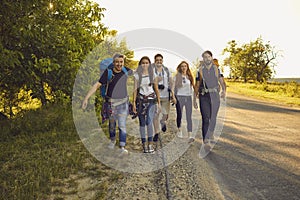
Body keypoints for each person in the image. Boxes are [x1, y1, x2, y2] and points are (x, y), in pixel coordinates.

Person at [82, 53, 133, 154]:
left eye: (121, 62)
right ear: (113, 62)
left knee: (122, 125)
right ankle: (113, 140)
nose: (119, 64)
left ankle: (122, 147)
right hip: (111, 103)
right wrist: (86, 98)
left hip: (123, 103)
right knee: (112, 125)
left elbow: (139, 74)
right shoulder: (108, 72)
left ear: (123, 62)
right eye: (117, 62)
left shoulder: (126, 70)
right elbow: (97, 85)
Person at [195, 50, 226, 145]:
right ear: (203, 59)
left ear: (211, 58)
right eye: (205, 57)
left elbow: (221, 81)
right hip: (204, 96)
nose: (207, 59)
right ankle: (206, 139)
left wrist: (224, 91)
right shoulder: (199, 70)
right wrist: (194, 99)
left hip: (215, 96)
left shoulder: (216, 69)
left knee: (213, 117)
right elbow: (197, 85)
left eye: (209, 57)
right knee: (205, 117)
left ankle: (211, 133)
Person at [132, 56, 161, 153]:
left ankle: (150, 144)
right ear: (140, 64)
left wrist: (159, 103)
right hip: (140, 101)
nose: (145, 65)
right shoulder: (137, 75)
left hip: (151, 100)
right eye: (143, 63)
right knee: (142, 123)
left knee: (149, 121)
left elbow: (156, 89)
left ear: (149, 64)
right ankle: (144, 144)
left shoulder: (153, 75)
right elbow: (135, 90)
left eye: (147, 63)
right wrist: (133, 104)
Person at [152, 54, 176, 146]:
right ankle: (156, 133)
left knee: (165, 115)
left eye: (160, 60)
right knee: (155, 115)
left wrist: (172, 94)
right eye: (157, 60)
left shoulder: (167, 70)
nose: (159, 61)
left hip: (166, 96)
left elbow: (172, 82)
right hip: (155, 96)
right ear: (154, 61)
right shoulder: (152, 71)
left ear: (162, 61)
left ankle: (163, 122)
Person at [172, 61, 198, 143]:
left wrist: (195, 99)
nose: (184, 68)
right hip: (179, 97)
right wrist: (173, 97)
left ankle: (190, 135)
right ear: (180, 68)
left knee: (188, 116)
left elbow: (194, 88)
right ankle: (179, 130)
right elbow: (172, 88)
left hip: (188, 98)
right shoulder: (176, 77)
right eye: (182, 66)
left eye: (185, 66)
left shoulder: (190, 76)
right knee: (179, 114)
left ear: (187, 67)